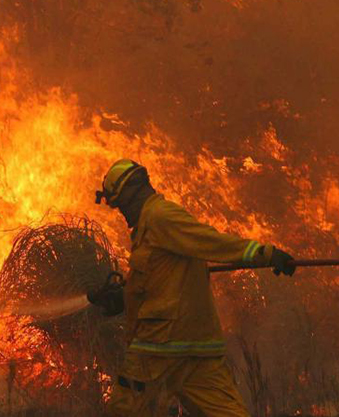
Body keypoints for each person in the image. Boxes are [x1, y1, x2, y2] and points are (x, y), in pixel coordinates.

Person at [87, 158, 296, 416]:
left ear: (133, 192)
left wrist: (265, 254)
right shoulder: (150, 226)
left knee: (124, 410)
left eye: (121, 204)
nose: (122, 213)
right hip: (195, 348)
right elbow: (158, 278)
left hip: (157, 348)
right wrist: (124, 296)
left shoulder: (160, 217)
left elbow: (210, 241)